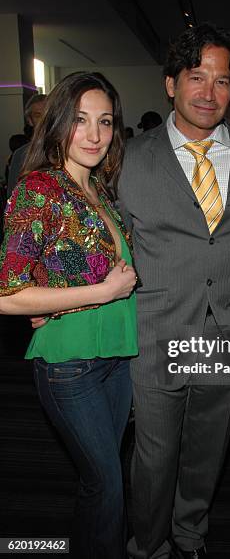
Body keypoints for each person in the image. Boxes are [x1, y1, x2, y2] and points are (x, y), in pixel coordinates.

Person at [119, 23, 230, 558]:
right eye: (196, 77)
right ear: (170, 84)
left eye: (222, 81)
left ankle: (191, 533)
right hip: (157, 332)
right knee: (154, 457)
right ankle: (149, 544)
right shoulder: (129, 158)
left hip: (227, 331)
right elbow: (104, 244)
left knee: (208, 451)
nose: (209, 92)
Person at [0, 71, 138, 559]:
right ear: (59, 123)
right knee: (107, 483)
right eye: (81, 121)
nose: (95, 135)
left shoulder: (99, 189)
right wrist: (100, 291)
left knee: (98, 484)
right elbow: (6, 294)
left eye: (105, 122)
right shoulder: (40, 188)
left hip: (116, 359)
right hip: (70, 365)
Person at [7, 93, 47, 197]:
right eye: (38, 115)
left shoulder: (70, 150)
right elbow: (12, 196)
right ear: (30, 120)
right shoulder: (21, 155)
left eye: (47, 114)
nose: (43, 119)